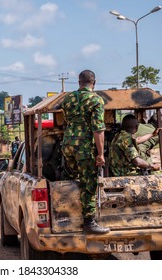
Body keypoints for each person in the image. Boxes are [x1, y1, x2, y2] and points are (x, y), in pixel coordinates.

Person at [61, 70, 109, 234]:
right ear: (94, 83)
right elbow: (98, 129)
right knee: (89, 183)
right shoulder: (96, 99)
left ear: (79, 82)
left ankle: (68, 217)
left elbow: (67, 121)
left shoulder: (68, 98)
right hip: (84, 147)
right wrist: (101, 154)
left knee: (74, 179)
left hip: (67, 145)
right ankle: (89, 223)